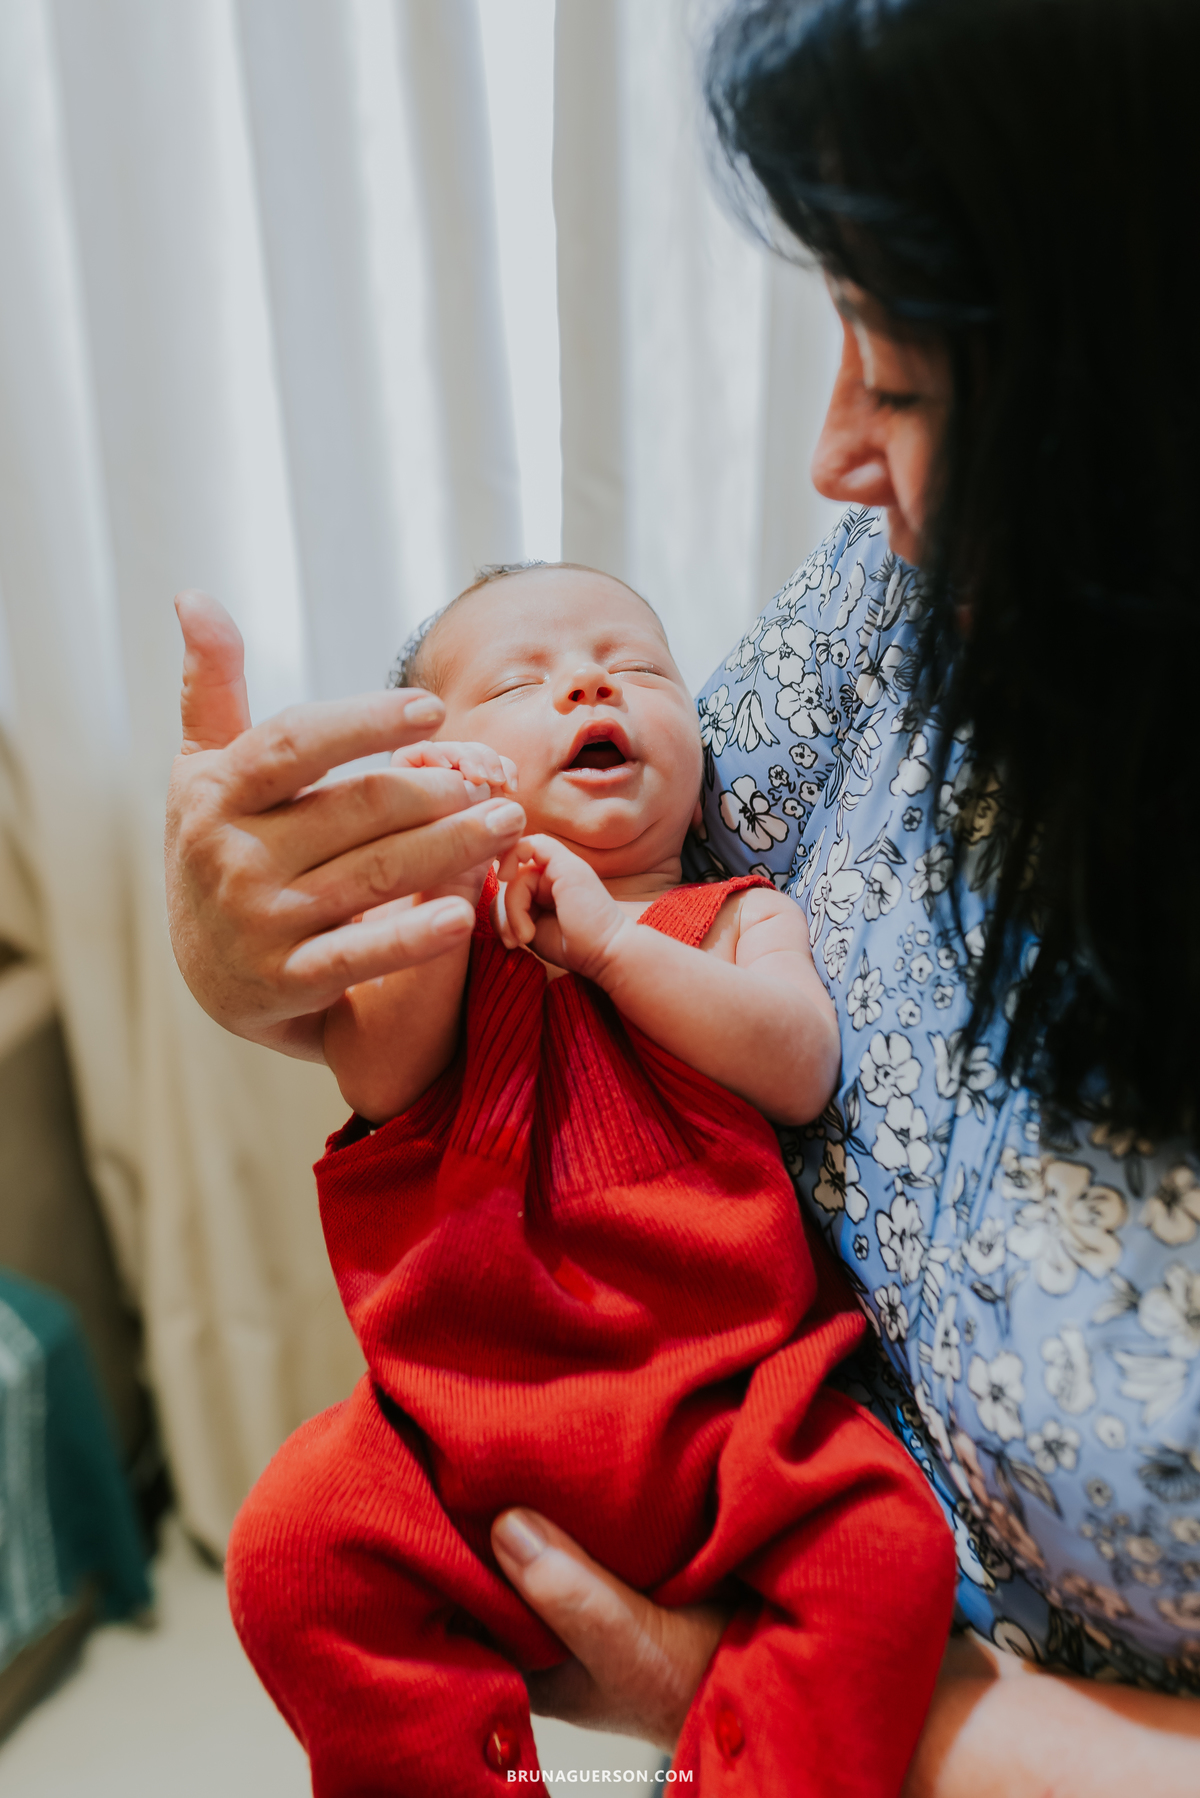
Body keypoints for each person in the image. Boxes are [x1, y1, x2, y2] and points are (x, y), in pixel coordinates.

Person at [164, 0, 1200, 1790]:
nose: (833, 458)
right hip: (481, 1417)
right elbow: (405, 1032)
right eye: (844, 342)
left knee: (866, 1559)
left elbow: (774, 1032)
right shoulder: (903, 593)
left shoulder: (702, 927)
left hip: (778, 1492)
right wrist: (283, 936)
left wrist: (738, 1694)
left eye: (902, 378)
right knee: (299, 1546)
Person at [223, 562, 956, 1796]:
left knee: (886, 1551)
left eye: (640, 666)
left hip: (732, 1424)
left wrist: (614, 944)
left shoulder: (735, 918)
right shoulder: (438, 948)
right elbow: (379, 1073)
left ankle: (742, 1771)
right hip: (451, 1426)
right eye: (520, 680)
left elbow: (800, 1063)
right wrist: (442, 881)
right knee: (295, 1548)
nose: (589, 680)